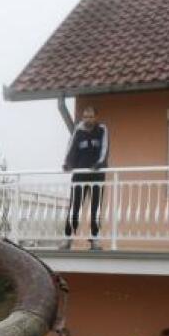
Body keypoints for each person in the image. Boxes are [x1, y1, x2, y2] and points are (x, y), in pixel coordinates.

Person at [61, 106, 110, 250]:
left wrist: (100, 163)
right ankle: (68, 238)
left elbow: (105, 149)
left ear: (96, 117)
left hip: (97, 175)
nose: (88, 119)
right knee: (74, 207)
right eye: (85, 117)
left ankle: (94, 239)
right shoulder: (78, 131)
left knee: (96, 207)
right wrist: (67, 163)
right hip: (80, 175)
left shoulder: (102, 129)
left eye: (90, 116)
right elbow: (70, 149)